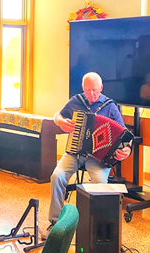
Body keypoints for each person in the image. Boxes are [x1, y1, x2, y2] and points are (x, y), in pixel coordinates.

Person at [47, 72, 131, 231]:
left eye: (95, 90)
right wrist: (60, 122)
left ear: (101, 88)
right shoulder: (76, 101)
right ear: (82, 88)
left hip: (98, 159)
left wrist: (126, 150)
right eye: (88, 90)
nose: (91, 94)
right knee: (56, 176)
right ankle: (55, 223)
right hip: (75, 152)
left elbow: (124, 135)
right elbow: (57, 115)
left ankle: (92, 225)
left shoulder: (110, 106)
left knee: (100, 183)